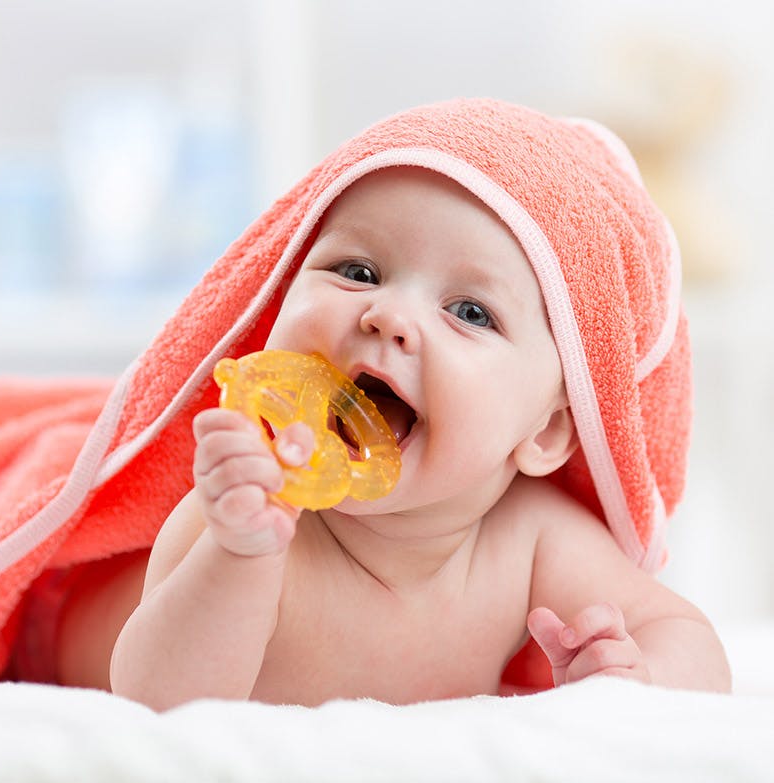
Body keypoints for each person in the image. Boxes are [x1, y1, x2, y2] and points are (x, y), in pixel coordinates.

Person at [52, 101, 731, 709]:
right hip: (62, 614)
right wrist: (238, 557)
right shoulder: (246, 502)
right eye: (357, 271)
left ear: (547, 432)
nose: (390, 315)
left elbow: (689, 639)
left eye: (469, 311)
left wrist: (636, 675)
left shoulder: (530, 541)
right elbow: (153, 698)